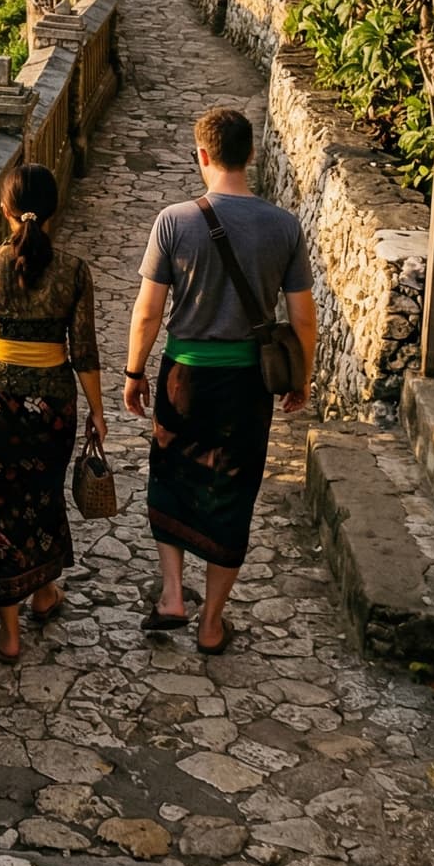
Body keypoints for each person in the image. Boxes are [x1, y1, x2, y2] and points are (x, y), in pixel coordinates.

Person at [122, 107, 316, 655]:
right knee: (233, 490)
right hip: (248, 385)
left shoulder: (174, 220)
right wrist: (301, 374)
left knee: (172, 474)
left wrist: (134, 372)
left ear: (202, 155)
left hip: (184, 376)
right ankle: (212, 623)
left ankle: (171, 596)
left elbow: (147, 313)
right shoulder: (284, 226)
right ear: (251, 155)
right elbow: (303, 317)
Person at [0, 163, 105, 662]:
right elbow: (86, 352)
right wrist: (98, 412)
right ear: (51, 212)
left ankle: (8, 633)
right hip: (52, 407)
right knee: (42, 497)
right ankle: (43, 593)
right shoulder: (74, 271)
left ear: (4, 210)